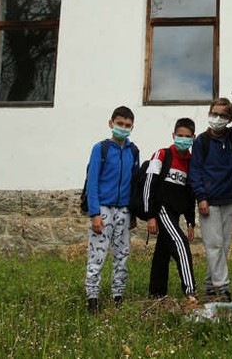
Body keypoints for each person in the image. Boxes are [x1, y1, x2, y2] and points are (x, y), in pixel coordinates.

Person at [188, 97, 232, 301]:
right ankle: (222, 288)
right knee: (213, 245)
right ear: (209, 113)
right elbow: (195, 171)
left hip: (229, 198)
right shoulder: (201, 142)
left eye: (223, 115)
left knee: (222, 246)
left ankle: (209, 287)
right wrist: (201, 198)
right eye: (214, 113)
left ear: (230, 118)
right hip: (209, 202)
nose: (218, 118)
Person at [84, 105, 140, 314]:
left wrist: (134, 213)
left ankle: (118, 295)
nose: (123, 128)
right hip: (103, 208)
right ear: (111, 124)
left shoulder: (133, 151)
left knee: (122, 254)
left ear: (132, 126)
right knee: (97, 255)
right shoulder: (101, 148)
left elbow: (134, 184)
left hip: (124, 210)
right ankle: (92, 298)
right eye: (119, 124)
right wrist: (95, 213)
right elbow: (93, 183)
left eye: (127, 125)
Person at [144, 117, 198, 303]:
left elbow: (190, 193)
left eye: (187, 136)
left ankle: (156, 294)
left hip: (176, 212)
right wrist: (150, 215)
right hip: (161, 209)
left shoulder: (192, 162)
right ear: (173, 135)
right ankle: (190, 292)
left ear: (193, 138)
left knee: (163, 250)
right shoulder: (161, 154)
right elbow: (148, 185)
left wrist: (191, 221)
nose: (183, 139)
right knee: (180, 242)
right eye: (179, 135)